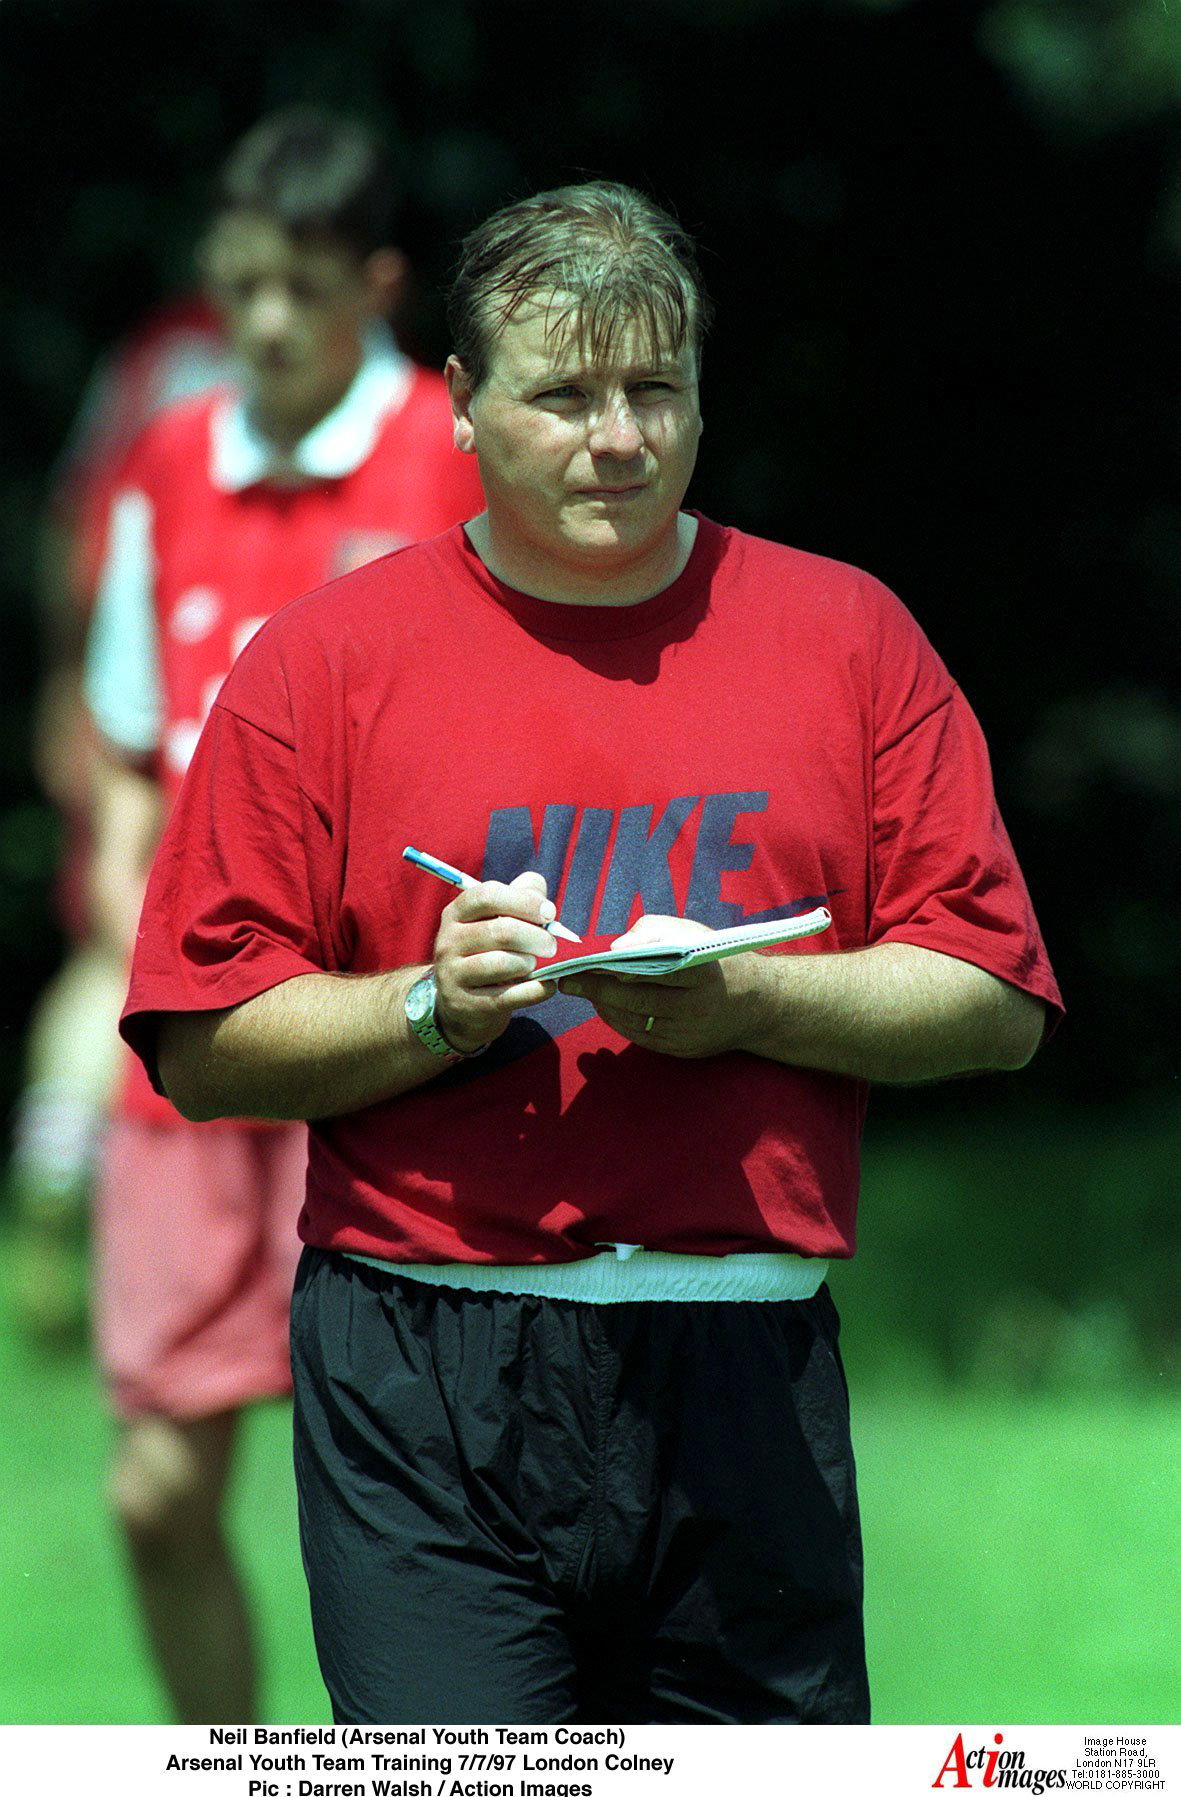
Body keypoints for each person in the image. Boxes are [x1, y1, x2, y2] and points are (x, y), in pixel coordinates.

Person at [118, 180, 1062, 1725]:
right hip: (422, 1358)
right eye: (564, 395)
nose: (617, 438)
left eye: (654, 390)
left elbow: (995, 997)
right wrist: (432, 1003)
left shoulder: (847, 635)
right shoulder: (322, 661)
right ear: (463, 407)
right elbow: (205, 1041)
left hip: (741, 1355)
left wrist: (750, 998)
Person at [81, 106, 483, 1722]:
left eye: (301, 287)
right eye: (239, 283)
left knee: (423, 1512)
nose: (261, 323)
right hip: (194, 1053)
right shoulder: (167, 460)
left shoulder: (461, 445)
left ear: (376, 284)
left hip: (390, 1047)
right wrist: (130, 901)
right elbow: (123, 755)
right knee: (156, 1492)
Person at [7, 293, 229, 1344]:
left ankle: (57, 1155)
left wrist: (65, 682)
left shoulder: (147, 355)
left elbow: (73, 527)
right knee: (153, 948)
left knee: (109, 946)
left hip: (130, 693)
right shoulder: (339, 365)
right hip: (190, 693)